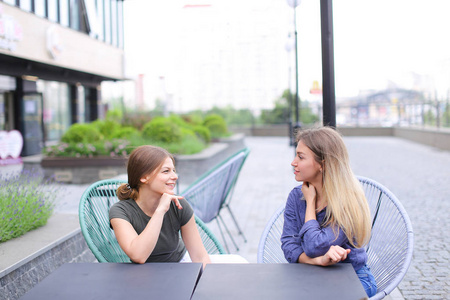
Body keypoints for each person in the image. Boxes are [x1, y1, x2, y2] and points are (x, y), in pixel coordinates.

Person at [281, 127, 377, 298]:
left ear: (322, 164)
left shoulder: (347, 201)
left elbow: (315, 246)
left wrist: (310, 202)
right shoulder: (296, 196)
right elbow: (289, 245)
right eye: (296, 155)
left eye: (301, 157)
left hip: (353, 279)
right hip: (310, 276)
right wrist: (317, 261)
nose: (293, 162)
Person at [109, 145, 211, 267]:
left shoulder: (179, 205)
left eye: (173, 170)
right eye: (166, 171)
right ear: (143, 177)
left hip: (181, 265)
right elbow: (138, 256)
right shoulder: (120, 212)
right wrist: (160, 210)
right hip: (143, 275)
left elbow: (200, 256)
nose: (175, 176)